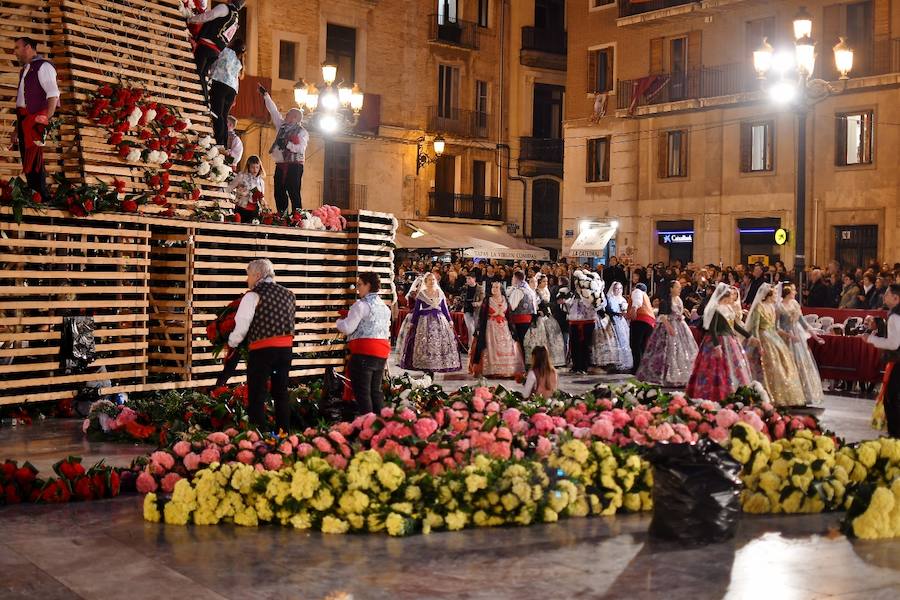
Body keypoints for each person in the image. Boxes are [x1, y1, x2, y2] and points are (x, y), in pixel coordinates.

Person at [225, 259, 295, 432]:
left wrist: (232, 342)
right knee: (281, 393)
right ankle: (284, 434)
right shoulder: (289, 294)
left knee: (257, 394)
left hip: (262, 351)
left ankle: (259, 436)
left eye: (248, 275)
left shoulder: (253, 295)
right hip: (285, 351)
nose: (247, 280)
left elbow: (242, 325)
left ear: (257, 275)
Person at [686, 284, 753, 403]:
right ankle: (715, 391)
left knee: (733, 365)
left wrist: (749, 336)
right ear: (724, 296)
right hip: (717, 340)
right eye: (731, 295)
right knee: (715, 367)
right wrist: (716, 345)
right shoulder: (716, 309)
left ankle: (734, 389)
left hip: (730, 339)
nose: (733, 297)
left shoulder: (729, 308)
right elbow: (713, 329)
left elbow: (734, 326)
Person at [336, 272, 391, 415]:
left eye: (360, 284)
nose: (358, 288)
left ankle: (367, 428)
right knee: (375, 391)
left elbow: (347, 328)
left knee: (363, 393)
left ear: (368, 285)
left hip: (364, 353)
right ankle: (381, 425)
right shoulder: (385, 307)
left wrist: (339, 321)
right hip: (381, 353)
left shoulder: (361, 305)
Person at [743, 283, 806, 407]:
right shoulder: (759, 307)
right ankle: (763, 393)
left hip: (772, 336)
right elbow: (755, 328)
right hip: (763, 336)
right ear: (768, 295)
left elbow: (774, 326)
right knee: (763, 367)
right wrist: (758, 344)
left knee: (781, 364)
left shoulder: (772, 307)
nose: (777, 296)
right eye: (775, 294)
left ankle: (780, 395)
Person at [12, 37, 58, 202]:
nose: (15, 51)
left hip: (36, 119)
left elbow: (53, 94)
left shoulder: (43, 66)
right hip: (24, 118)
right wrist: (17, 129)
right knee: (27, 157)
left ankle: (42, 196)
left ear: (28, 47)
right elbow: (22, 101)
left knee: (35, 157)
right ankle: (34, 193)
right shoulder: (25, 69)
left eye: (17, 47)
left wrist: (46, 118)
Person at [636, 280, 699, 387]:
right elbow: (662, 316)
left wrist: (684, 311)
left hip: (680, 326)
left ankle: (682, 375)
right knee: (667, 350)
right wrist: (669, 327)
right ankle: (665, 376)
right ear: (671, 288)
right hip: (668, 326)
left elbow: (677, 310)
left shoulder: (678, 299)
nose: (679, 289)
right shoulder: (665, 301)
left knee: (681, 350)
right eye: (677, 287)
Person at [399, 272, 461, 374]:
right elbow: (417, 310)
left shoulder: (440, 293)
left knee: (440, 342)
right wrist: (413, 322)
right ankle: (426, 363)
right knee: (426, 342)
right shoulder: (422, 294)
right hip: (425, 321)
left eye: (433, 280)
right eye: (429, 280)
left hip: (440, 320)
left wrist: (449, 320)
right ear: (425, 282)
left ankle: (440, 362)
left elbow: (445, 308)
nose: (432, 281)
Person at [260, 85, 308, 214]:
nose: (285, 115)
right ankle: (282, 214)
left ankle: (297, 216)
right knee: (279, 191)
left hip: (295, 165)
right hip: (281, 164)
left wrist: (287, 145)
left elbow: (300, 148)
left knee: (293, 191)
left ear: (295, 118)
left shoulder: (302, 132)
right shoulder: (281, 125)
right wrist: (266, 96)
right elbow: (274, 112)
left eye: (288, 114)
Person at [187, 0, 244, 107]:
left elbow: (209, 15)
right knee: (202, 74)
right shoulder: (236, 18)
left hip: (207, 44)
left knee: (198, 72)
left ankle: (203, 101)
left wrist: (191, 19)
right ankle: (204, 100)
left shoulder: (225, 8)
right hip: (216, 50)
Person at [778, 283, 825, 406]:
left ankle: (803, 394)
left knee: (801, 363)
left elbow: (803, 322)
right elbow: (777, 326)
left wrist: (815, 337)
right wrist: (787, 335)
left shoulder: (795, 304)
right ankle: (788, 394)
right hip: (785, 337)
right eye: (793, 290)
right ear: (787, 291)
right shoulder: (780, 306)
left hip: (797, 337)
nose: (795, 292)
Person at [864, 284, 900, 437]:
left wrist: (871, 338)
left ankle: (896, 436)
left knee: (892, 399)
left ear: (896, 298)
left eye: (887, 294)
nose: (884, 297)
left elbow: (894, 344)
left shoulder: (895, 316)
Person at [469, 281, 524, 378]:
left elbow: (509, 315)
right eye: (493, 287)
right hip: (491, 327)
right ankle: (492, 369)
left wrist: (503, 316)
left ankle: (507, 370)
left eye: (496, 287)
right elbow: (482, 315)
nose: (494, 289)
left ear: (501, 289)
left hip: (504, 327)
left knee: (507, 347)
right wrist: (493, 315)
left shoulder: (505, 300)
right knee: (491, 347)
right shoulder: (488, 300)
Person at [524, 275, 566, 367]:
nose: (534, 284)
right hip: (531, 319)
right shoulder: (527, 293)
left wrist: (544, 311)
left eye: (535, 282)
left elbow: (543, 304)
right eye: (532, 282)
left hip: (541, 317)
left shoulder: (537, 293)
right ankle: (531, 361)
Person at [209, 38, 244, 146]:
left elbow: (213, 60)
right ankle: (223, 143)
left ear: (232, 44)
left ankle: (219, 141)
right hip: (232, 90)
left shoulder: (225, 51)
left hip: (220, 83)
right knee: (224, 116)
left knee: (217, 114)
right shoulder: (239, 61)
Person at [566, 284, 597, 374]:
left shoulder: (590, 294)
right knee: (574, 345)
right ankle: (576, 366)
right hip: (574, 322)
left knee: (585, 345)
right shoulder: (573, 295)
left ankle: (584, 366)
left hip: (587, 322)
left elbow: (595, 305)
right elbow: (568, 306)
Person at [604, 281, 633, 373]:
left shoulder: (622, 299)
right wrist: (617, 313)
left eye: (620, 288)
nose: (618, 290)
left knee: (624, 340)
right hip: (613, 320)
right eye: (616, 288)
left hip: (621, 321)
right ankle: (616, 361)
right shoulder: (610, 298)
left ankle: (625, 361)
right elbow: (609, 310)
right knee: (616, 340)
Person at [628, 283, 656, 375]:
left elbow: (637, 300)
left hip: (640, 320)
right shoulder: (646, 296)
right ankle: (644, 368)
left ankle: (637, 368)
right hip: (649, 322)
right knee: (643, 346)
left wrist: (634, 309)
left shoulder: (637, 291)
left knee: (635, 345)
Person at [227, 154, 265, 222]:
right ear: (248, 167)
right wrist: (233, 198)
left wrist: (264, 206)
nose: (255, 170)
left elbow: (261, 198)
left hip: (254, 211)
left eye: (257, 167)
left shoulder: (261, 182)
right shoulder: (241, 176)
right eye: (252, 167)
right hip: (241, 208)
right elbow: (229, 188)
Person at [507, 270, 538, 348]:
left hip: (519, 319)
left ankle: (520, 359)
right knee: (524, 343)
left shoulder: (518, 290)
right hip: (529, 319)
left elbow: (511, 306)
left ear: (515, 279)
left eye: (513, 278)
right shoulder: (530, 290)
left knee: (519, 343)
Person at [461, 273, 484, 349]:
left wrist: (478, 303)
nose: (467, 280)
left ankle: (475, 346)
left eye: (469, 278)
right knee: (471, 328)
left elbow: (482, 300)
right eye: (467, 279)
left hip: (476, 311)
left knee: (476, 329)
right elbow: (462, 298)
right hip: (467, 310)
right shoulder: (465, 287)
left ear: (474, 279)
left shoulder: (480, 288)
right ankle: (471, 346)